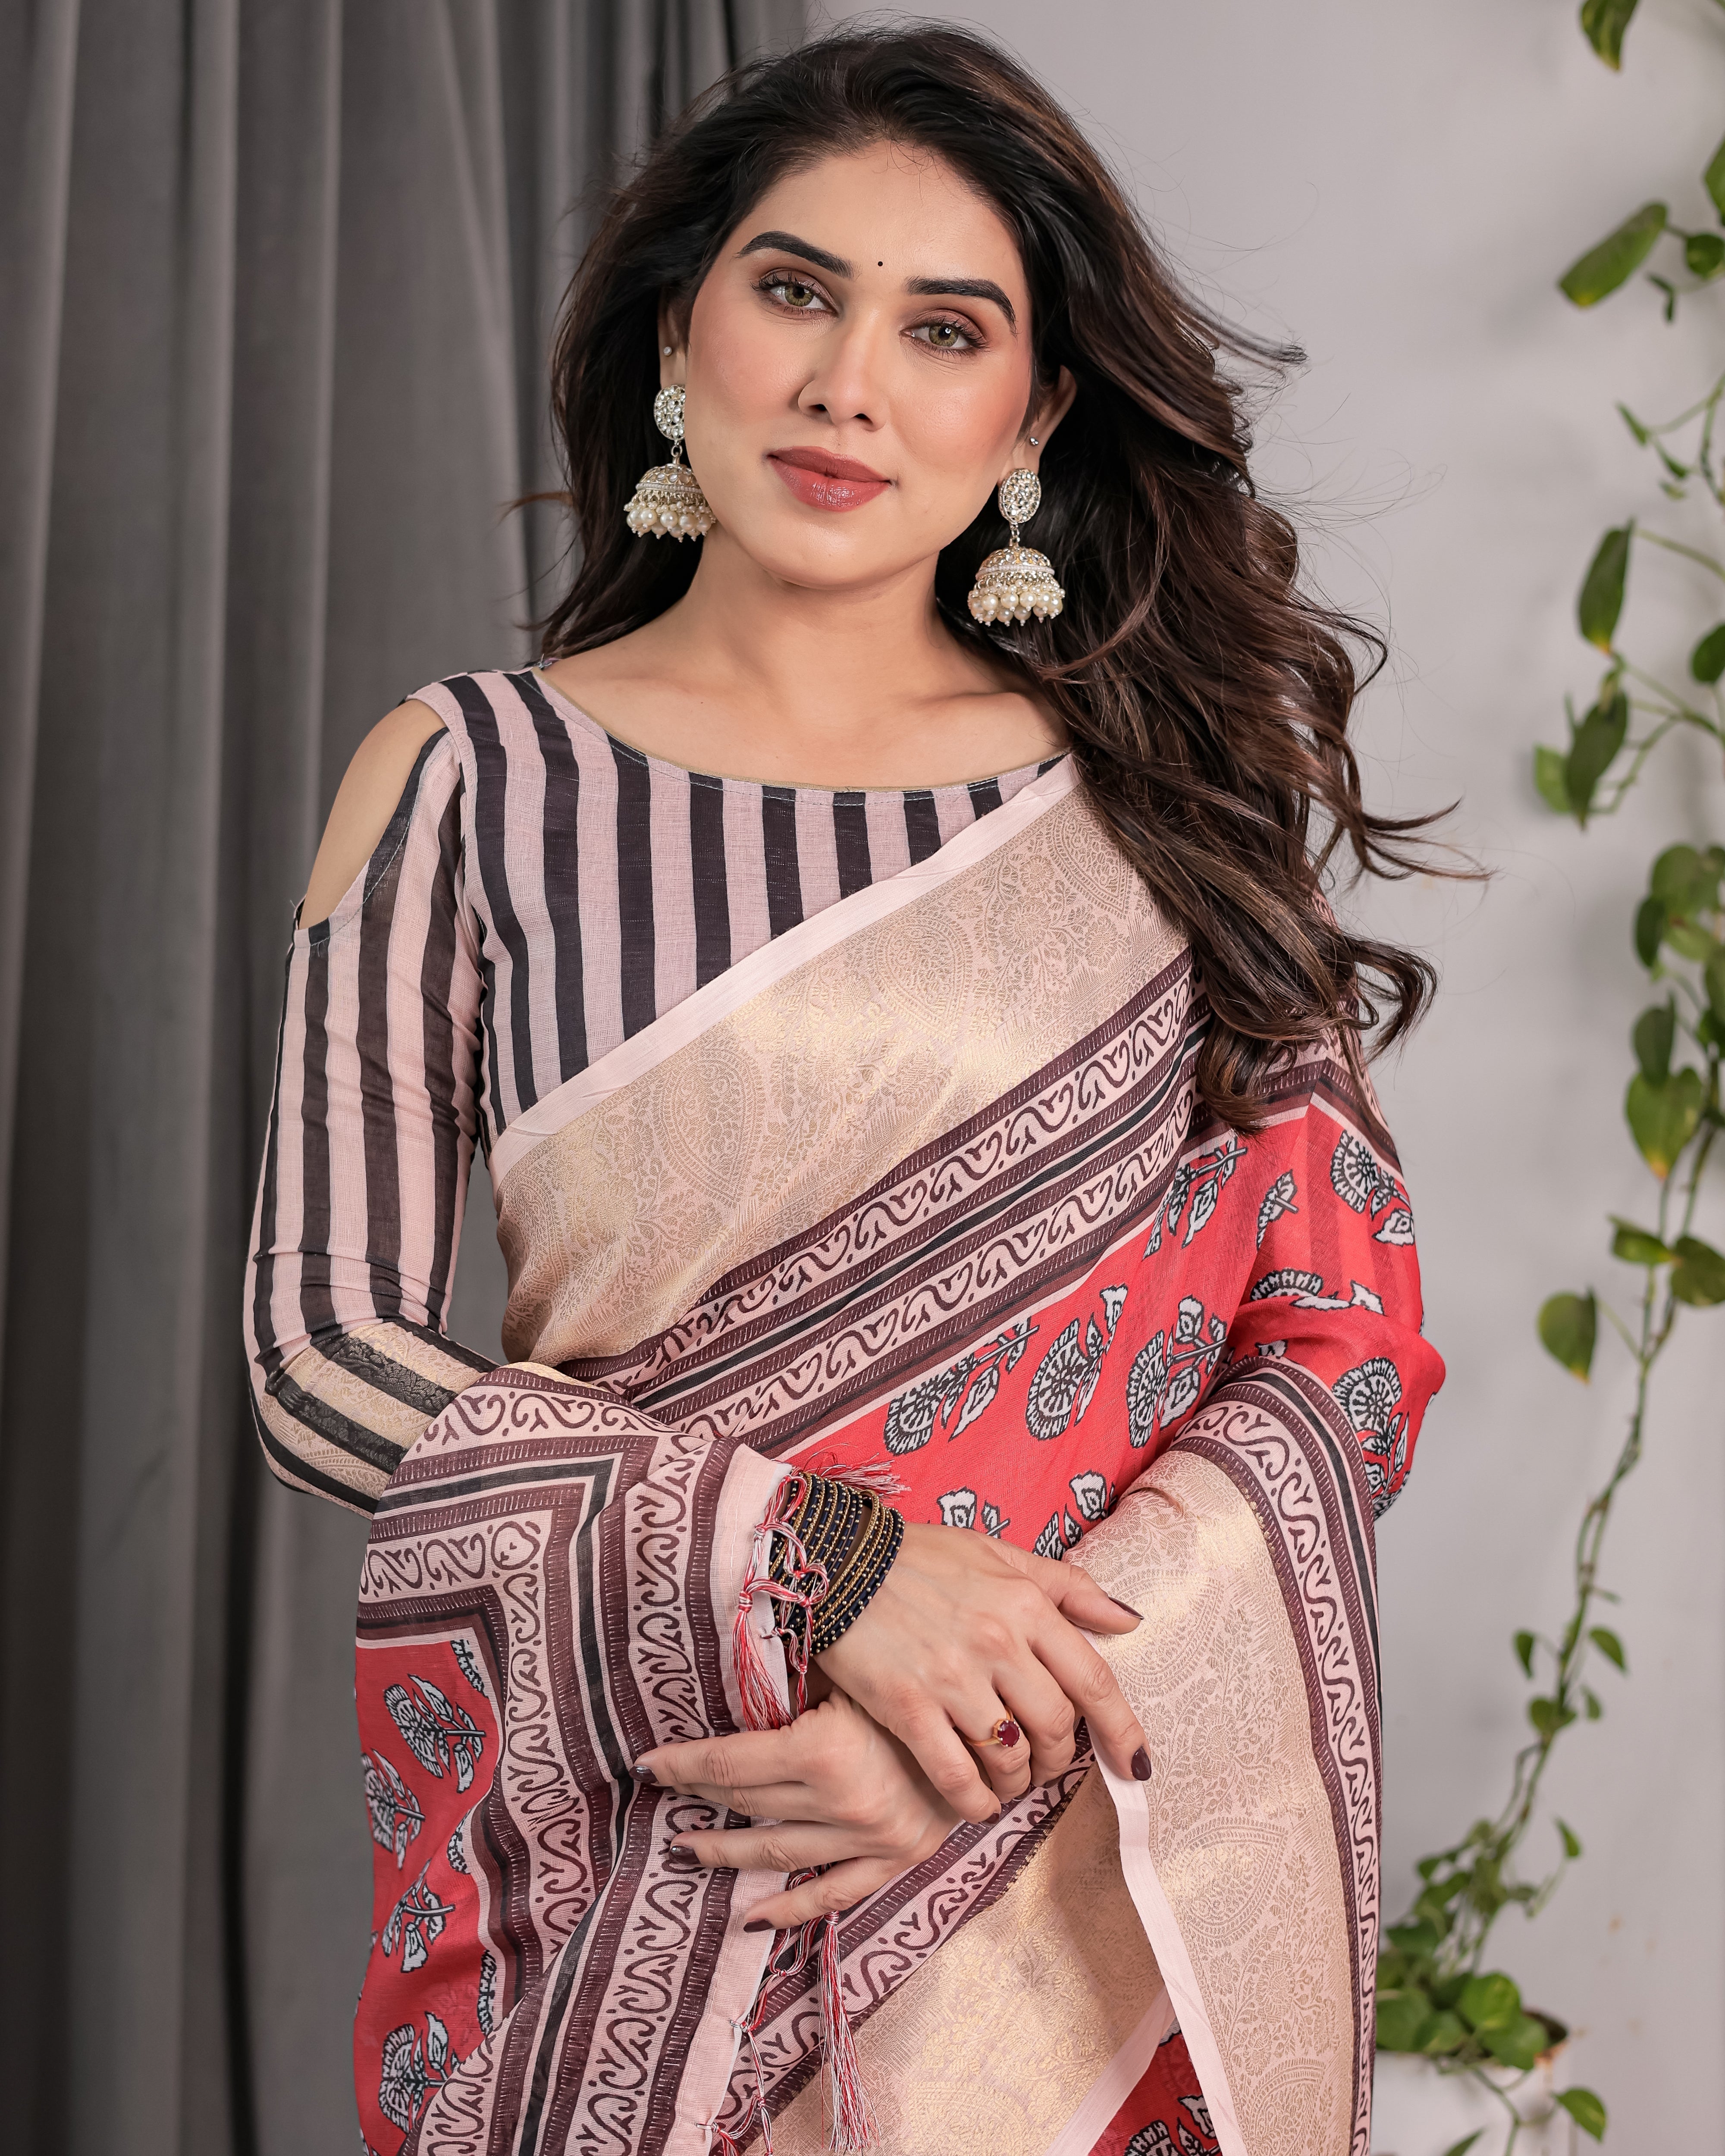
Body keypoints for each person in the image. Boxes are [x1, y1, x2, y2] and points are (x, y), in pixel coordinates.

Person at [244, 26, 1446, 2156]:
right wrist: (824, 1565)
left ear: (1034, 412)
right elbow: (319, 1350)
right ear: (680, 323)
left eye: (943, 326)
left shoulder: (1160, 814)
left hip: (1049, 1872)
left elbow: (1338, 1350)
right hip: (632, 1830)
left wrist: (982, 1739)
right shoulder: (469, 779)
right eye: (795, 289)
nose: (845, 381)